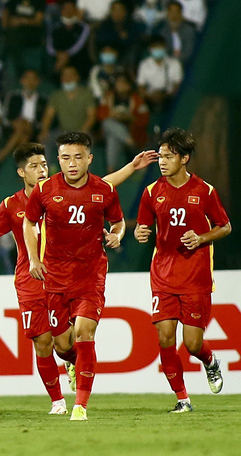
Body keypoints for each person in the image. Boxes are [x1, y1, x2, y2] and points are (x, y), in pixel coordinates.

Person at [0, 142, 157, 414]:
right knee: (43, 343)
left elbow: (100, 185)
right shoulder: (11, 205)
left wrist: (131, 167)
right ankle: (57, 401)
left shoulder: (61, 191)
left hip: (67, 275)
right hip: (31, 280)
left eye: (44, 164)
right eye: (34, 166)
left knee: (67, 341)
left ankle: (71, 363)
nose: (42, 170)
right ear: (22, 173)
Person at [23, 132, 126, 421]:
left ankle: (80, 405)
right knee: (63, 345)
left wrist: (116, 236)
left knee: (84, 332)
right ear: (58, 159)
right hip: (55, 278)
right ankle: (72, 362)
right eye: (66, 157)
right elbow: (30, 223)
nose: (72, 163)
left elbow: (117, 222)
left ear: (89, 159)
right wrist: (33, 258)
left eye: (78, 157)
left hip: (90, 276)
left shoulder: (104, 190)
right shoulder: (44, 189)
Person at [135, 128, 231, 413]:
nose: (162, 162)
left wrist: (201, 238)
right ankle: (182, 399)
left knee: (191, 344)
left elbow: (225, 226)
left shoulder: (204, 191)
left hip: (195, 277)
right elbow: (144, 226)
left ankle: (210, 360)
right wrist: (141, 233)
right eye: (161, 156)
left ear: (184, 158)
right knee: (165, 337)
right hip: (163, 275)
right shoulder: (152, 192)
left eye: (169, 156)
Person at [97, 74, 150, 173]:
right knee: (108, 123)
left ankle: (110, 170)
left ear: (129, 85)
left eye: (123, 83)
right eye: (118, 82)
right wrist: (113, 115)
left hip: (131, 131)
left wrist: (130, 117)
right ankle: (129, 142)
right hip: (111, 128)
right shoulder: (109, 96)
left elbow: (144, 119)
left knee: (113, 137)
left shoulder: (136, 99)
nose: (120, 85)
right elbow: (100, 114)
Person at [0, 69, 47, 162]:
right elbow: (5, 117)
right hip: (14, 128)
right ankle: (22, 166)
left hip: (33, 129)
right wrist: (15, 122)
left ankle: (3, 154)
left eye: (33, 79)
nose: (30, 82)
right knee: (23, 136)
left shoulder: (43, 100)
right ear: (22, 80)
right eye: (27, 78)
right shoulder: (13, 97)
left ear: (38, 82)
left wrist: (30, 124)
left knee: (24, 128)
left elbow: (44, 121)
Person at [137, 35, 183, 113]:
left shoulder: (175, 64)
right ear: (150, 49)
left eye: (160, 47)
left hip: (169, 98)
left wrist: (165, 96)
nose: (157, 50)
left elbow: (178, 85)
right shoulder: (144, 64)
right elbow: (140, 86)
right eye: (155, 47)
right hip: (150, 97)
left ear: (165, 47)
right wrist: (151, 96)